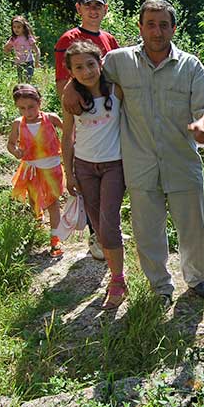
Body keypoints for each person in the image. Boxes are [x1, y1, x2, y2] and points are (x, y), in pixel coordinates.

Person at [63, 0, 204, 309]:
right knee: (148, 231)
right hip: (140, 163)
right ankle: (160, 286)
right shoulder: (120, 61)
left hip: (182, 161)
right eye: (151, 24)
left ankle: (197, 279)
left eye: (164, 24)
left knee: (192, 227)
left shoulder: (189, 65)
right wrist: (69, 85)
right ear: (140, 27)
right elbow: (87, 69)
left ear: (174, 28)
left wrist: (203, 123)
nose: (157, 31)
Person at [54, 0, 120, 260]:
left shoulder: (110, 39)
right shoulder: (69, 38)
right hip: (84, 117)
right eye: (87, 5)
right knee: (90, 182)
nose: (93, 11)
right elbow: (62, 81)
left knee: (111, 188)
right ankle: (96, 235)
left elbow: (117, 74)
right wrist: (71, 92)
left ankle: (107, 230)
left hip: (109, 117)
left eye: (98, 6)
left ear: (105, 9)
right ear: (78, 8)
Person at [61, 41, 127, 310]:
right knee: (99, 229)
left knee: (109, 224)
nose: (86, 71)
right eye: (79, 67)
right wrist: (69, 172)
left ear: (100, 64)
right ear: (71, 72)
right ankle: (115, 274)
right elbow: (67, 137)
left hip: (114, 166)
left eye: (91, 64)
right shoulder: (71, 100)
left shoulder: (116, 90)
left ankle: (117, 281)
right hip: (85, 167)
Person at [7, 84, 65, 257]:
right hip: (31, 170)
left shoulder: (51, 119)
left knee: (53, 203)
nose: (27, 111)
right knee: (34, 200)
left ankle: (56, 239)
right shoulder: (18, 123)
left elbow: (69, 132)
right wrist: (16, 151)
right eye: (22, 108)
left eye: (31, 107)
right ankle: (38, 221)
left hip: (52, 168)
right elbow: (11, 143)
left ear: (39, 102)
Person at [3, 15, 40, 82]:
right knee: (20, 81)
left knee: (27, 80)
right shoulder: (13, 39)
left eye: (19, 27)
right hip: (19, 63)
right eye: (14, 27)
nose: (16, 29)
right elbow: (6, 48)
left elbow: (37, 50)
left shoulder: (28, 37)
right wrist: (8, 54)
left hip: (29, 62)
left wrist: (37, 62)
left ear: (23, 28)